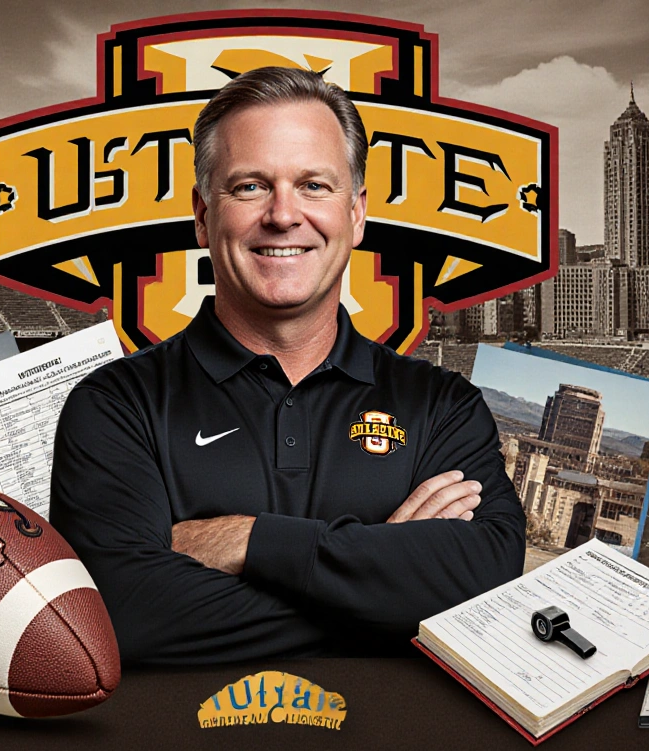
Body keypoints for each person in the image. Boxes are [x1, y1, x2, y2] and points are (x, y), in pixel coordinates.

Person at [50, 67, 525, 664]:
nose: (283, 214)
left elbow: (489, 578)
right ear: (203, 216)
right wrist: (390, 587)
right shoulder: (116, 404)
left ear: (355, 215)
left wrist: (247, 541)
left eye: (314, 186)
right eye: (250, 186)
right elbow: (119, 610)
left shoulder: (442, 406)